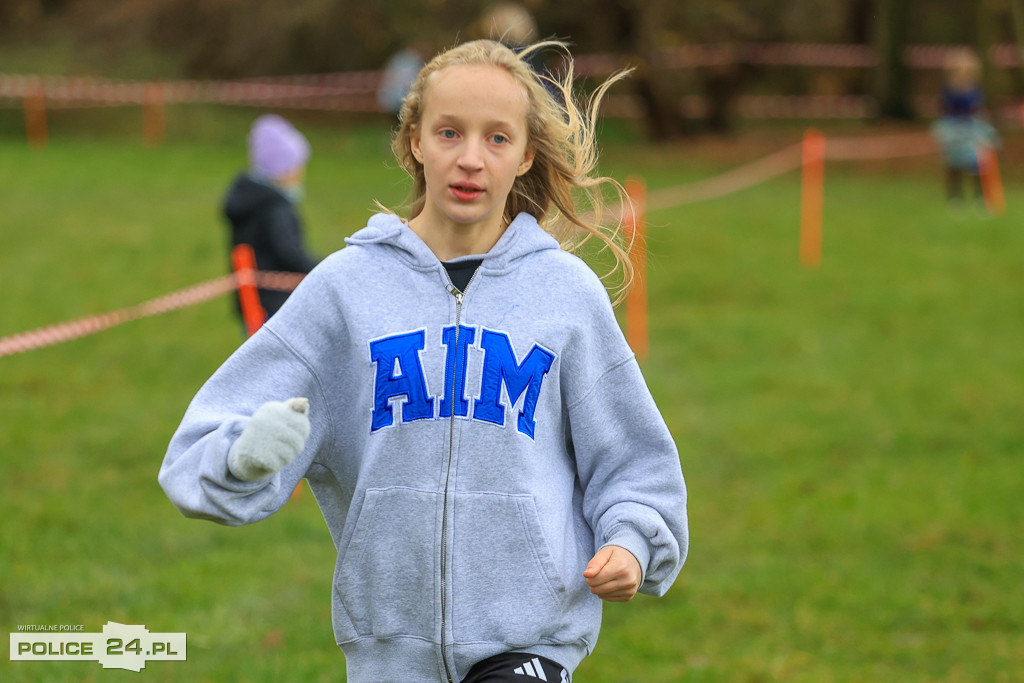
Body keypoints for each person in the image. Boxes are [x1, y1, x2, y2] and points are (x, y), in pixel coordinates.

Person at [160, 39, 688, 683]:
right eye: (448, 132)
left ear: (526, 153)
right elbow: (194, 457)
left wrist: (632, 542)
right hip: (388, 651)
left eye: (497, 138)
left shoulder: (566, 296)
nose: (470, 158)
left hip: (529, 640)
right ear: (414, 140)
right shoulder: (344, 289)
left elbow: (635, 463)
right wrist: (244, 454)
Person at [223, 114, 321, 323]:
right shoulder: (275, 207)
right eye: (297, 167)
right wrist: (323, 269)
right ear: (284, 171)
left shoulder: (249, 199)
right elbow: (289, 253)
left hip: (252, 302)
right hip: (277, 305)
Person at [929, 48, 999, 218]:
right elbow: (945, 109)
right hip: (954, 131)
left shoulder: (975, 88)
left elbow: (978, 109)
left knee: (978, 164)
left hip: (973, 130)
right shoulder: (948, 89)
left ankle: (981, 199)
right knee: (954, 165)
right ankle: (955, 199)